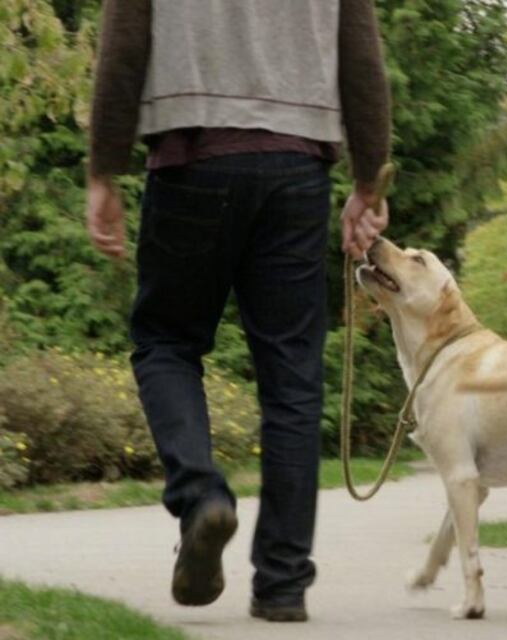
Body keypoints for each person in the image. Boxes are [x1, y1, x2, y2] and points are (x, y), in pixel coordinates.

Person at [84, 0, 391, 623]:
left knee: (166, 343)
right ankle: (282, 584)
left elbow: (122, 45)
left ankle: (201, 499)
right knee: (293, 379)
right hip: (298, 166)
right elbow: (361, 55)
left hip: (192, 158)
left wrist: (103, 171)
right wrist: (368, 181)